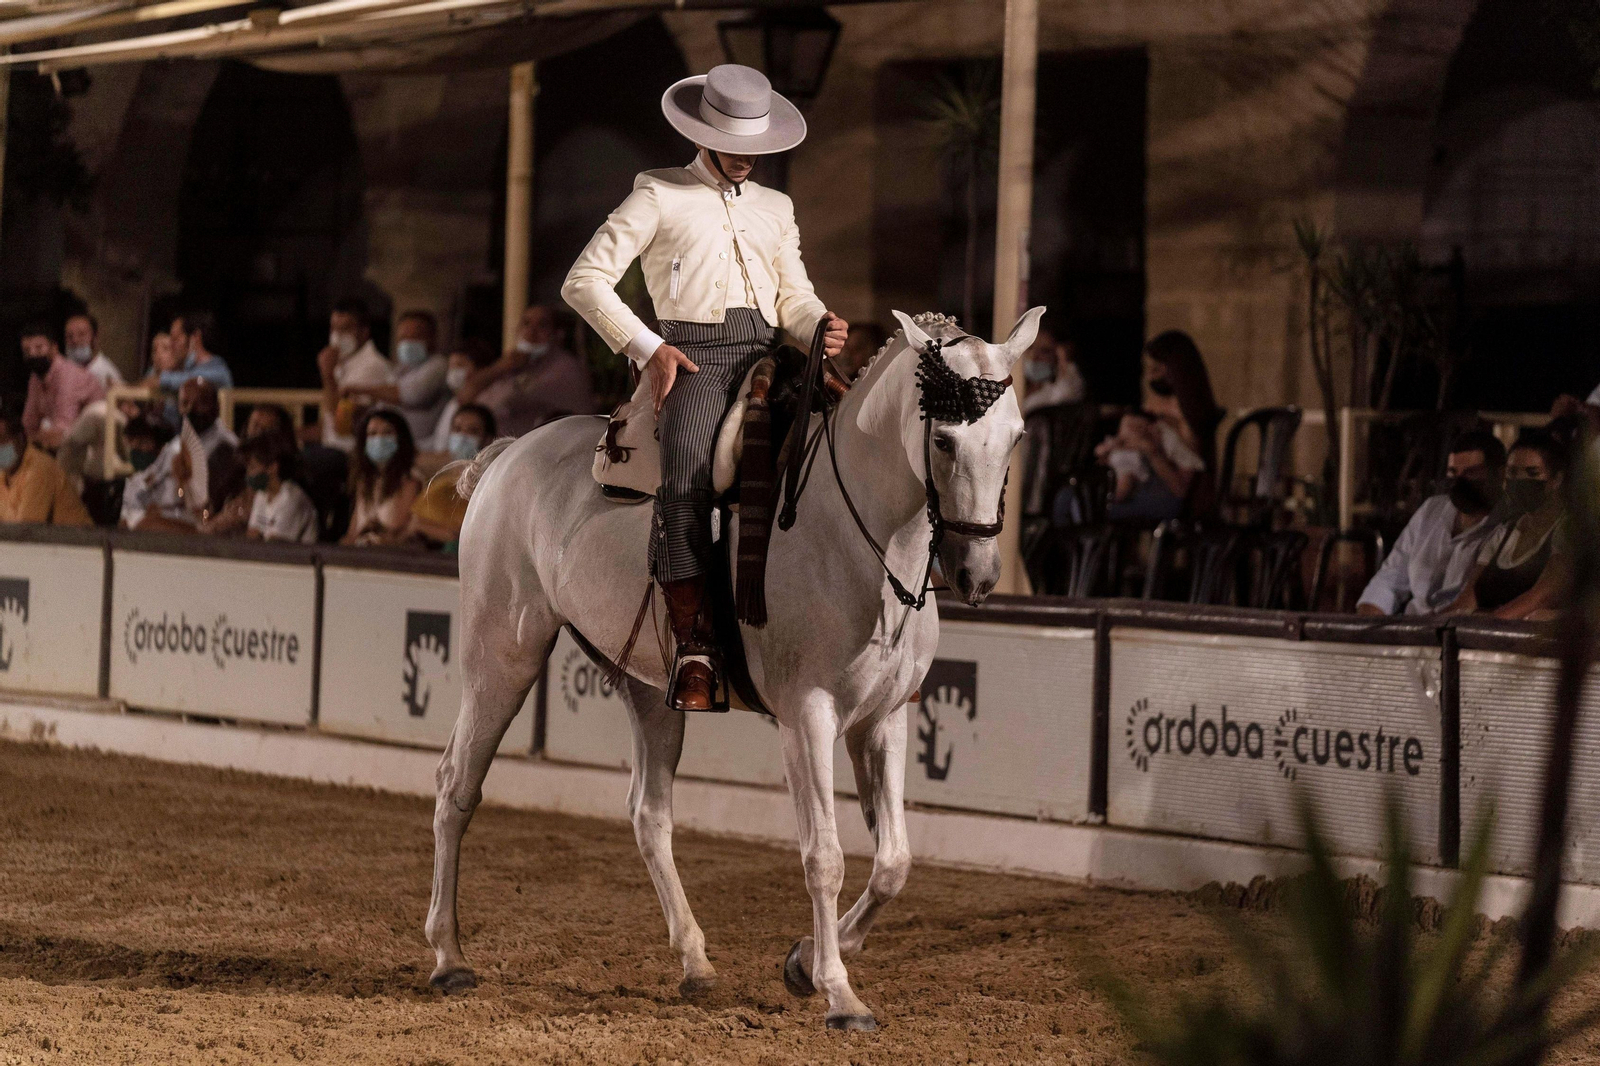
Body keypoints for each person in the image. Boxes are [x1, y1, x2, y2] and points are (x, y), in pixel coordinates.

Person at [562, 64, 846, 710]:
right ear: (705, 134)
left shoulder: (778, 208)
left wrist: (820, 324)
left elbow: (794, 296)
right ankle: (694, 643)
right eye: (738, 145)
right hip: (695, 360)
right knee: (687, 474)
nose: (748, 158)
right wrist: (650, 348)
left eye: (757, 146)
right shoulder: (658, 193)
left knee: (837, 446)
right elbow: (584, 281)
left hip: (769, 354)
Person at [1357, 429, 1506, 616]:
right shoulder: (1432, 511)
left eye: (1471, 473)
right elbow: (1391, 578)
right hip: (1411, 631)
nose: (1460, 482)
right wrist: (1369, 622)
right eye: (1453, 473)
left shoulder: (1506, 526)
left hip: (1457, 633)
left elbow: (1469, 604)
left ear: (1499, 474)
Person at [1445, 431, 1568, 620]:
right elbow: (1468, 600)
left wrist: (1488, 624)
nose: (1520, 481)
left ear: (1556, 480)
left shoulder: (1570, 530)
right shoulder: (1503, 534)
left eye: (1532, 473)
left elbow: (1542, 596)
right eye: (1512, 473)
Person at [120, 379, 241, 532]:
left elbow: (207, 506)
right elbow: (149, 479)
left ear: (215, 406)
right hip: (161, 513)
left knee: (145, 524)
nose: (190, 409)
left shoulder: (226, 446)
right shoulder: (176, 443)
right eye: (185, 403)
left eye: (199, 403)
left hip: (194, 523)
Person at [457, 305, 594, 437]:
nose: (531, 332)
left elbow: (506, 401)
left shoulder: (565, 369)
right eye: (526, 323)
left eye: (542, 325)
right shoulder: (513, 364)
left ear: (558, 334)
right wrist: (499, 368)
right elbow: (465, 397)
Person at [1139, 330, 1223, 515]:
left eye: (1157, 369)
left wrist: (1151, 447)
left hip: (1177, 495)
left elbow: (1182, 482)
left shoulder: (1190, 414)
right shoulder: (1160, 406)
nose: (1151, 377)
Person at [339, 309, 449, 444]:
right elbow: (385, 406)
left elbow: (410, 394)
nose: (408, 342)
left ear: (432, 338)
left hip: (420, 446)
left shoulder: (438, 365)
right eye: (403, 337)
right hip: (391, 444)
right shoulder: (400, 369)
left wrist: (359, 389)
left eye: (415, 337)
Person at [411, 404, 498, 550]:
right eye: (457, 429)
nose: (462, 437)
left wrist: (421, 526)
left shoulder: (489, 485)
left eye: (472, 431)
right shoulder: (437, 479)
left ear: (487, 439)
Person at [1095, 410, 1205, 521]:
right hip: (1131, 486)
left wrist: (1152, 452)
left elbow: (1181, 492)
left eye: (1137, 428)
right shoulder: (1126, 443)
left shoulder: (1170, 442)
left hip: (1164, 497)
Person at [319, 298, 395, 451]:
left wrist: (327, 376)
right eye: (334, 329)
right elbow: (326, 424)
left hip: (352, 451)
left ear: (364, 332)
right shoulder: (343, 363)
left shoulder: (372, 365)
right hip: (331, 447)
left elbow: (342, 424)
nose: (337, 336)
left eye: (345, 329)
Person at [0, 400, 92, 526]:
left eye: (2, 440)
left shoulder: (39, 469)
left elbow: (25, 531)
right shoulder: (3, 474)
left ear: (20, 439)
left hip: (76, 543)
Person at [20, 320, 104, 452]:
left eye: (39, 348)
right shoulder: (36, 377)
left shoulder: (67, 374)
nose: (32, 354)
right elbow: (28, 424)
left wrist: (29, 441)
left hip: (92, 449)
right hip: (69, 448)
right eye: (26, 350)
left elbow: (62, 431)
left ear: (54, 348)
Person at [342, 408, 421, 547]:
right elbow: (352, 534)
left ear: (400, 438)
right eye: (372, 434)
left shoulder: (411, 481)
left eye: (387, 433)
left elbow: (398, 529)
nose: (379, 439)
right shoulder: (364, 481)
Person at [241, 432, 318, 544]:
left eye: (252, 467)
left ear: (272, 467)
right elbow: (252, 535)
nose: (248, 474)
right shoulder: (262, 495)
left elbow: (276, 546)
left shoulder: (292, 498)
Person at [427, 339, 500, 453]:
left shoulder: (489, 403)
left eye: (459, 365)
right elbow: (439, 442)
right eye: (451, 366)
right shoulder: (454, 402)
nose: (453, 371)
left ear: (480, 370)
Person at [156, 311, 233, 393]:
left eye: (176, 339)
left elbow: (194, 381)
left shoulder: (217, 370)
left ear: (195, 337)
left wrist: (161, 379)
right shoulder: (183, 369)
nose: (171, 346)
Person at [1020, 323, 1085, 415]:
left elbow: (1067, 390)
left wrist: (1064, 362)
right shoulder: (1005, 386)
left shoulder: (1057, 393)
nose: (1033, 357)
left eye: (1045, 351)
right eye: (1029, 348)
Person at [63, 312, 126, 392]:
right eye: (69, 336)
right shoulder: (64, 370)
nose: (75, 340)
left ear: (95, 338)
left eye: (81, 334)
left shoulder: (105, 371)